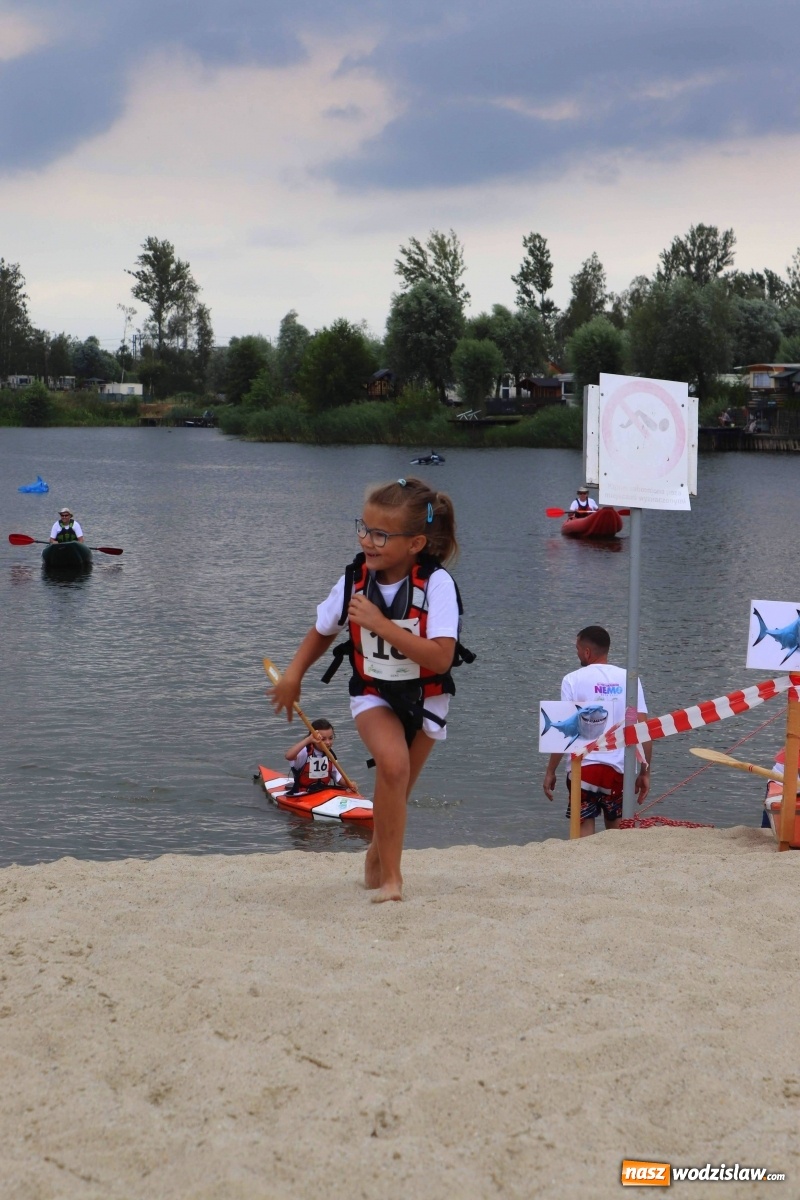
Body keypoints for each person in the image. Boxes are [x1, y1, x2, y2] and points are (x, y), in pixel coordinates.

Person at [270, 477, 472, 902]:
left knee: (398, 788)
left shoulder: (437, 585)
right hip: (373, 692)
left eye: (381, 535)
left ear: (415, 543)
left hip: (427, 697)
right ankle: (392, 880)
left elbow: (440, 658)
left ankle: (376, 858)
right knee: (393, 769)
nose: (367, 541)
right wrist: (293, 675)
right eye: (363, 528)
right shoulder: (354, 580)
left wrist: (380, 624)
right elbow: (323, 630)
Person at [542, 625, 651, 836]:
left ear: (587, 652)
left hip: (584, 769)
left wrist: (550, 771)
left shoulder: (572, 680)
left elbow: (563, 734)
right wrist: (645, 771)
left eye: (577, 649)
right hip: (619, 770)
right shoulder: (630, 679)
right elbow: (643, 729)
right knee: (618, 834)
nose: (577, 653)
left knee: (583, 838)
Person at [284, 719, 345, 793]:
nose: (328, 742)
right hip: (302, 794)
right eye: (323, 739)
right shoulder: (305, 751)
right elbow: (288, 756)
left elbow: (338, 778)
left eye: (330, 738)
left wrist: (350, 784)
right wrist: (308, 740)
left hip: (323, 792)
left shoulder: (331, 755)